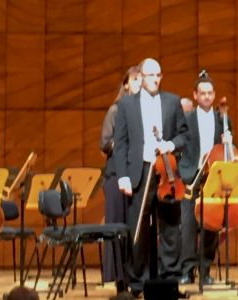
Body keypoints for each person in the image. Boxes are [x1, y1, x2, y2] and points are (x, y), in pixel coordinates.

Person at [114, 58, 188, 296]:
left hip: (165, 170)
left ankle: (169, 279)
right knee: (139, 230)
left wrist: (170, 144)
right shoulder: (127, 105)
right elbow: (121, 144)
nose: (155, 79)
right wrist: (122, 176)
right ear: (141, 77)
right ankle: (138, 281)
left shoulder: (172, 101)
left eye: (158, 75)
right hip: (140, 171)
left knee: (170, 228)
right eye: (150, 75)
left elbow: (184, 136)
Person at [177, 73, 233, 285]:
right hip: (192, 175)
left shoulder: (222, 119)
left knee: (211, 226)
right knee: (188, 225)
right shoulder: (186, 119)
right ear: (195, 95)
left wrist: (228, 140)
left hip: (213, 177)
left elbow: (229, 150)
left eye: (210, 93)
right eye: (203, 93)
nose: (207, 97)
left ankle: (205, 269)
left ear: (214, 95)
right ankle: (187, 270)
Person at [100, 65, 142, 286]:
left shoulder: (144, 110)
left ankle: (135, 276)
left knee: (135, 228)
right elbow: (105, 144)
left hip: (136, 176)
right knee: (117, 226)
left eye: (140, 80)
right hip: (117, 176)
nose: (138, 83)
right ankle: (119, 279)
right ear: (126, 84)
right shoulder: (116, 110)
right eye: (135, 80)